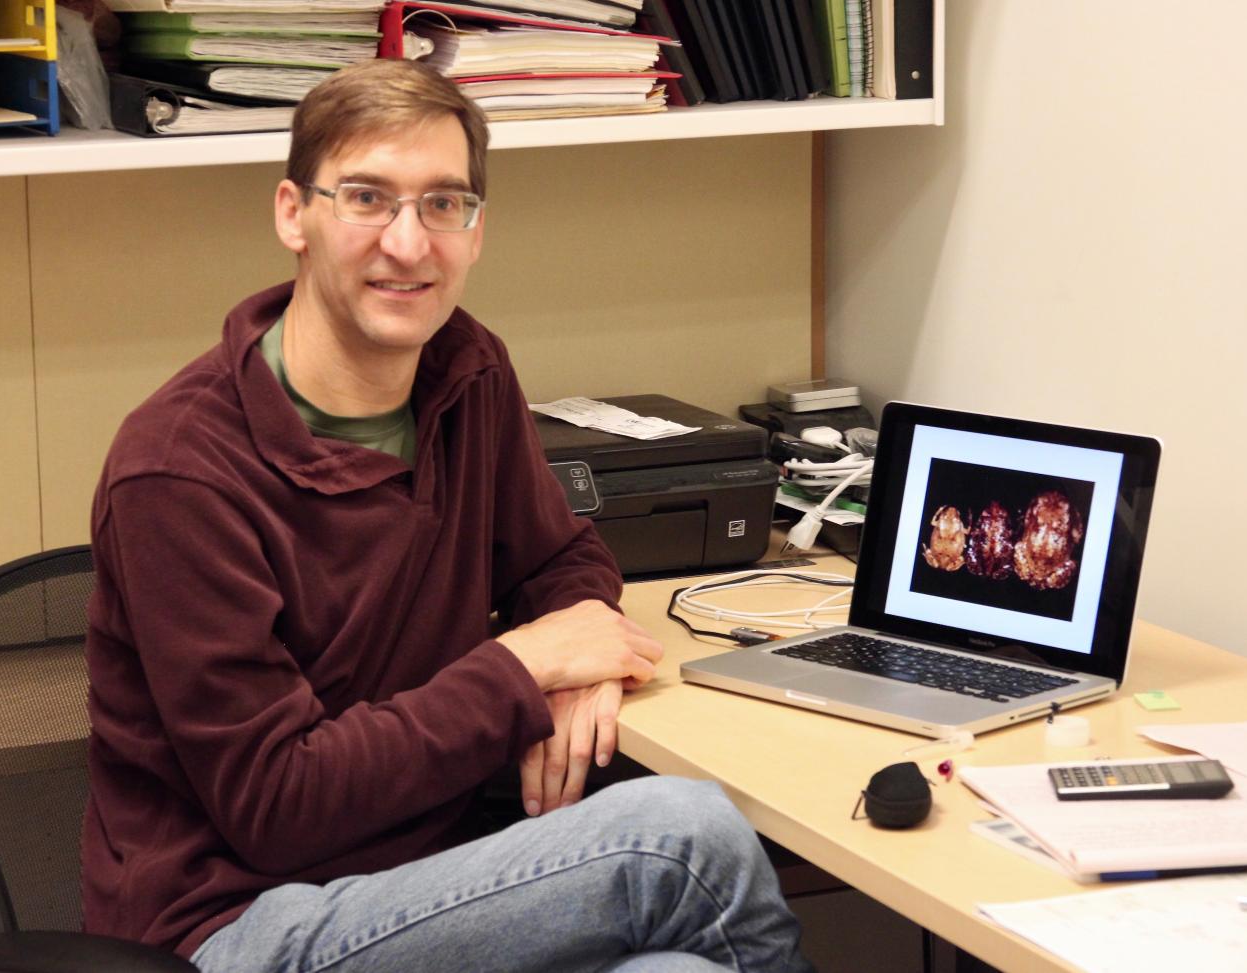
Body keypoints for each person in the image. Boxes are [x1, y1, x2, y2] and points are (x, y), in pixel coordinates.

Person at [82, 57, 813, 973]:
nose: (408, 241)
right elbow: (278, 804)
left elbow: (560, 557)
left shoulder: (464, 371)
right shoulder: (180, 469)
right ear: (291, 215)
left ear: (475, 229)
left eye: (443, 203)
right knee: (678, 833)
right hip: (238, 923)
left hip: (437, 873)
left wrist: (584, 653)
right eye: (365, 198)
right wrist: (522, 665)